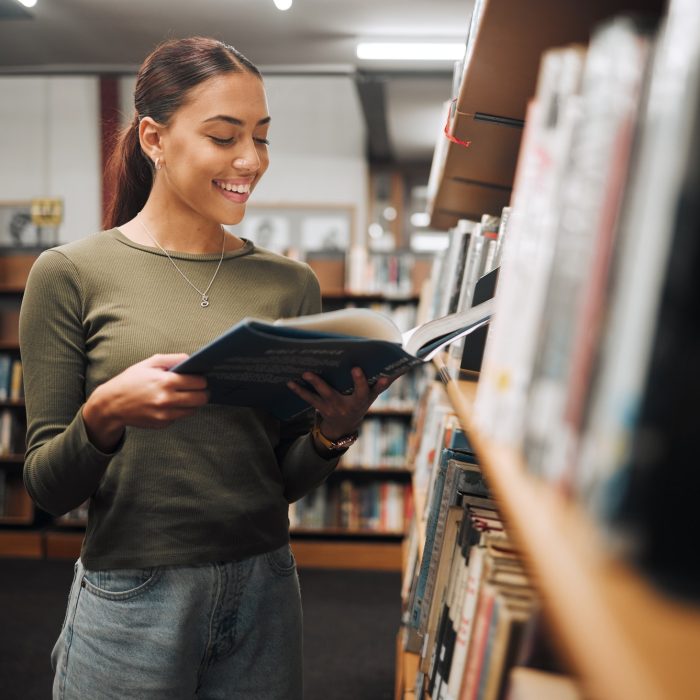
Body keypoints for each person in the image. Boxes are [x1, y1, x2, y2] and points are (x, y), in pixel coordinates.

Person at [20, 36, 391, 700]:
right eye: (224, 137)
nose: (250, 160)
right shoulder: (70, 274)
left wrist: (333, 434)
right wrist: (103, 416)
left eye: (262, 137)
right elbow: (48, 489)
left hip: (266, 589)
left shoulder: (290, 284)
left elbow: (279, 481)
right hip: (133, 594)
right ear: (154, 140)